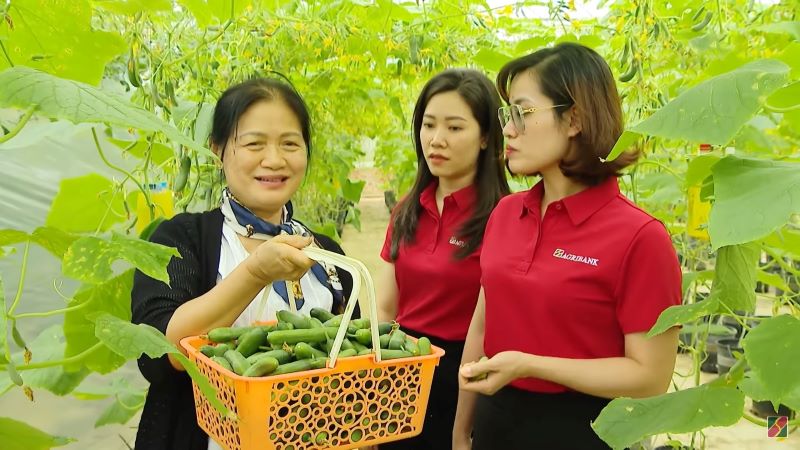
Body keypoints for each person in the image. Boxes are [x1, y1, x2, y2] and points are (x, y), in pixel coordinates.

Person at [453, 43, 682, 450]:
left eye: (523, 112)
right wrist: (461, 428)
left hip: (584, 430)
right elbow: (483, 326)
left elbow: (650, 377)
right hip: (496, 423)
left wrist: (530, 365)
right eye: (508, 115)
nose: (508, 129)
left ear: (574, 118)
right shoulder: (506, 214)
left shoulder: (640, 237)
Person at [131, 77, 356, 450]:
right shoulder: (181, 239)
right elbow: (157, 353)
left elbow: (352, 361)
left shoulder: (328, 254)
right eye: (254, 144)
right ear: (218, 150)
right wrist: (255, 273)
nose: (274, 160)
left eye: (290, 144)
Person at [376, 68, 510, 450]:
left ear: (486, 137)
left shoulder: (504, 216)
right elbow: (386, 308)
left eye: (454, 128)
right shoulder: (406, 210)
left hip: (467, 376)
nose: (436, 140)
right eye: (429, 125)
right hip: (401, 369)